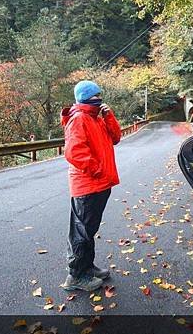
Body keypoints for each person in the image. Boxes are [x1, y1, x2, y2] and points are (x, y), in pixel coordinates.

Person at [60, 80, 122, 292]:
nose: (99, 98)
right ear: (86, 97)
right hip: (87, 185)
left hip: (100, 184)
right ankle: (76, 275)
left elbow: (116, 138)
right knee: (81, 232)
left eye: (99, 94)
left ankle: (87, 267)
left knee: (89, 229)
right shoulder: (79, 119)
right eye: (95, 95)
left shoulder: (96, 117)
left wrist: (109, 116)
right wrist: (96, 170)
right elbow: (74, 152)